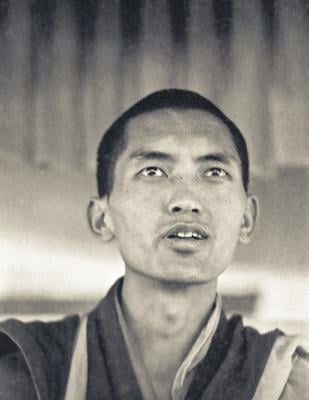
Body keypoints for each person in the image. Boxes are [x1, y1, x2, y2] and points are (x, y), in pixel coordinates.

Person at [0, 89, 308, 399]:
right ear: (102, 218)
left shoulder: (286, 380)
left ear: (247, 218)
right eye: (153, 171)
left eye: (214, 172)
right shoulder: (28, 370)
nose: (186, 200)